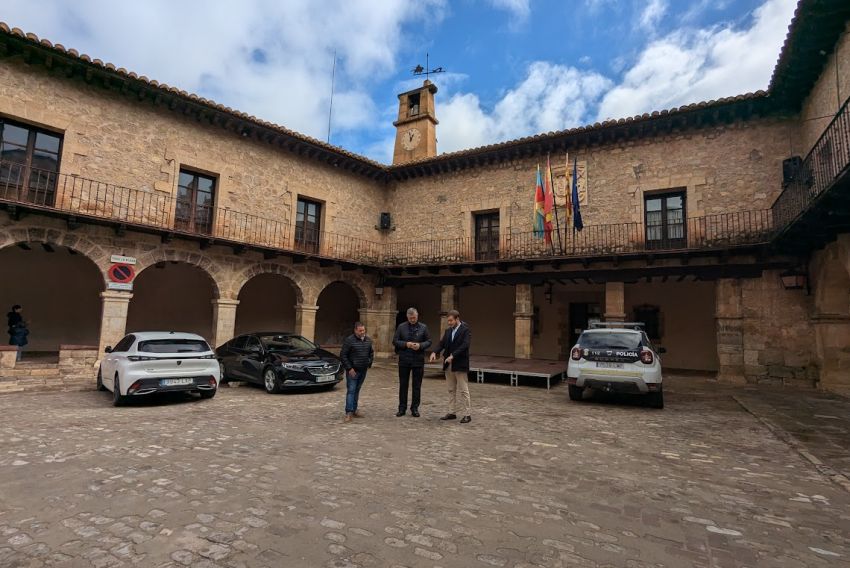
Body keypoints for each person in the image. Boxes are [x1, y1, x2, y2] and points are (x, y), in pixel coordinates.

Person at [430, 310, 472, 424]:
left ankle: (467, 414)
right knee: (451, 389)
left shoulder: (465, 330)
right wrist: (434, 352)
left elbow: (465, 345)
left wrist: (453, 355)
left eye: (451, 320)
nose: (449, 322)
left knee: (464, 390)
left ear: (457, 319)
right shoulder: (448, 331)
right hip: (448, 364)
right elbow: (441, 343)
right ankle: (451, 412)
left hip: (460, 364)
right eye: (448, 320)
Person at [393, 307, 431, 417]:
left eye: (414, 318)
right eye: (410, 318)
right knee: (403, 385)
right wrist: (406, 344)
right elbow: (395, 341)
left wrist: (420, 345)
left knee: (417, 386)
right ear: (407, 317)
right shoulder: (401, 327)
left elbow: (429, 341)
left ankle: (415, 408)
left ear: (417, 316)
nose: (413, 320)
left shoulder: (423, 327)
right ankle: (402, 408)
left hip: (418, 360)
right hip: (404, 360)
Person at [339, 322, 374, 423]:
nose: (362, 332)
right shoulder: (349, 340)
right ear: (355, 330)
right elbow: (343, 355)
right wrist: (349, 368)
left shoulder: (368, 340)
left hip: (363, 370)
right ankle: (349, 412)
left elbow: (371, 353)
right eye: (360, 331)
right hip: (353, 371)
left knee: (357, 390)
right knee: (351, 390)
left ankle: (354, 409)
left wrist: (369, 363)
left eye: (363, 330)